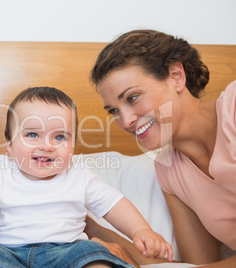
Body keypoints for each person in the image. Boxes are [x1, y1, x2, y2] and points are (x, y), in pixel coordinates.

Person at [0, 86, 173, 268]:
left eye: (60, 137)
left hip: (67, 251)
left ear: (73, 145)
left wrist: (141, 231)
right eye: (32, 134)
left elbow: (114, 204)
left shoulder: (79, 175)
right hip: (3, 250)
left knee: (95, 257)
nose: (46, 145)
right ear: (9, 144)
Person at [88, 29, 236, 267]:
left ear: (176, 76)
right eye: (114, 111)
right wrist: (91, 227)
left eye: (132, 97)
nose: (125, 122)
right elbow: (199, 264)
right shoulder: (168, 169)